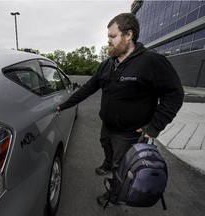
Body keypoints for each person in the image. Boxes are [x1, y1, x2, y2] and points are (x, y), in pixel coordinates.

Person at [56, 13, 184, 206]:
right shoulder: (108, 64)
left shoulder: (151, 61)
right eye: (108, 36)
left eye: (112, 36)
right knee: (106, 147)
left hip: (130, 133)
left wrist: (155, 126)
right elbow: (88, 88)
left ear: (128, 35)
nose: (108, 40)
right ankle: (107, 164)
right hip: (107, 126)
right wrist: (62, 105)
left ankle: (115, 196)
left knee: (121, 167)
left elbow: (174, 94)